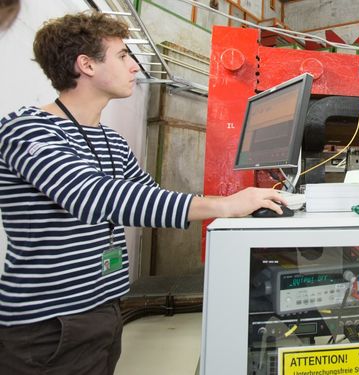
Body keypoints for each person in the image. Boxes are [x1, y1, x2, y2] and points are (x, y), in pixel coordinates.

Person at [0, 12, 286, 375]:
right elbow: (93, 197)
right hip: (47, 326)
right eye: (122, 55)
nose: (134, 66)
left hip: (104, 310)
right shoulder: (28, 129)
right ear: (85, 65)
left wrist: (245, 207)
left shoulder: (111, 142)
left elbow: (148, 199)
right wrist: (225, 204)